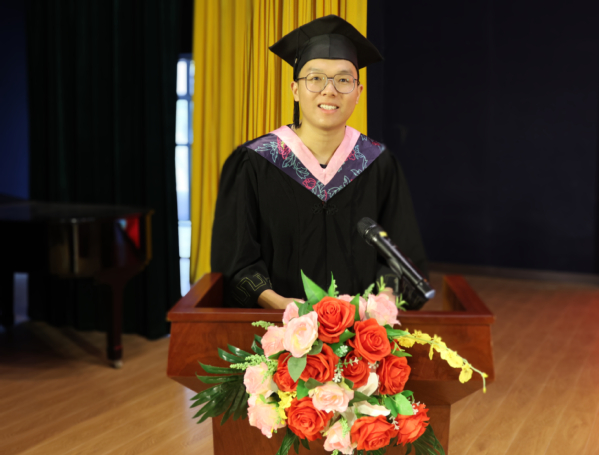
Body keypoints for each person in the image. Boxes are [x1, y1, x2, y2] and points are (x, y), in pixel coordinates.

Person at [211, 15, 428, 310]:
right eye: (315, 78)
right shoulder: (253, 163)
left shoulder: (378, 164)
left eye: (343, 80)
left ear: (358, 93)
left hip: (363, 327)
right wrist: (283, 308)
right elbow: (235, 262)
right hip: (278, 330)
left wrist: (382, 302)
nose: (329, 90)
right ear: (295, 90)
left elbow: (401, 255)